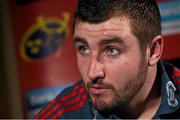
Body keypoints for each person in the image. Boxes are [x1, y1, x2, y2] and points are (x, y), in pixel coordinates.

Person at [35, 0, 180, 119]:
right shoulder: (60, 116)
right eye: (83, 48)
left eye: (112, 50)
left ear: (153, 51)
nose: (92, 73)